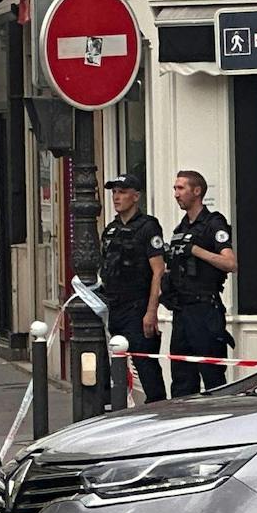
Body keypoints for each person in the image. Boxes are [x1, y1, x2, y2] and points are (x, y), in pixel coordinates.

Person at [163, 170, 238, 396]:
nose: (176, 194)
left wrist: (196, 250)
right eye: (175, 188)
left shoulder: (213, 224)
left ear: (197, 192)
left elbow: (230, 263)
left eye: (181, 188)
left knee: (213, 377)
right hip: (181, 310)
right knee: (182, 379)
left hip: (205, 310)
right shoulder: (180, 229)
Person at [98, 172, 168, 403]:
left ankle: (157, 410)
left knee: (145, 366)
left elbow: (158, 270)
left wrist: (151, 312)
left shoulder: (148, 227)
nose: (116, 198)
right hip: (115, 307)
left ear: (135, 196)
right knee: (116, 366)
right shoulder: (110, 230)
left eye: (122, 192)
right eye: (114, 193)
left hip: (138, 307)